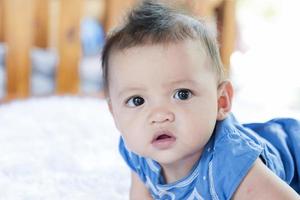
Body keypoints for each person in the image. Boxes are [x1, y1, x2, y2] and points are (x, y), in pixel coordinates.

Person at [101, 1, 300, 199]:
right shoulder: (138, 145)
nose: (159, 115)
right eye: (137, 100)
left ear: (221, 102)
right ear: (114, 114)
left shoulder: (232, 165)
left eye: (182, 94)